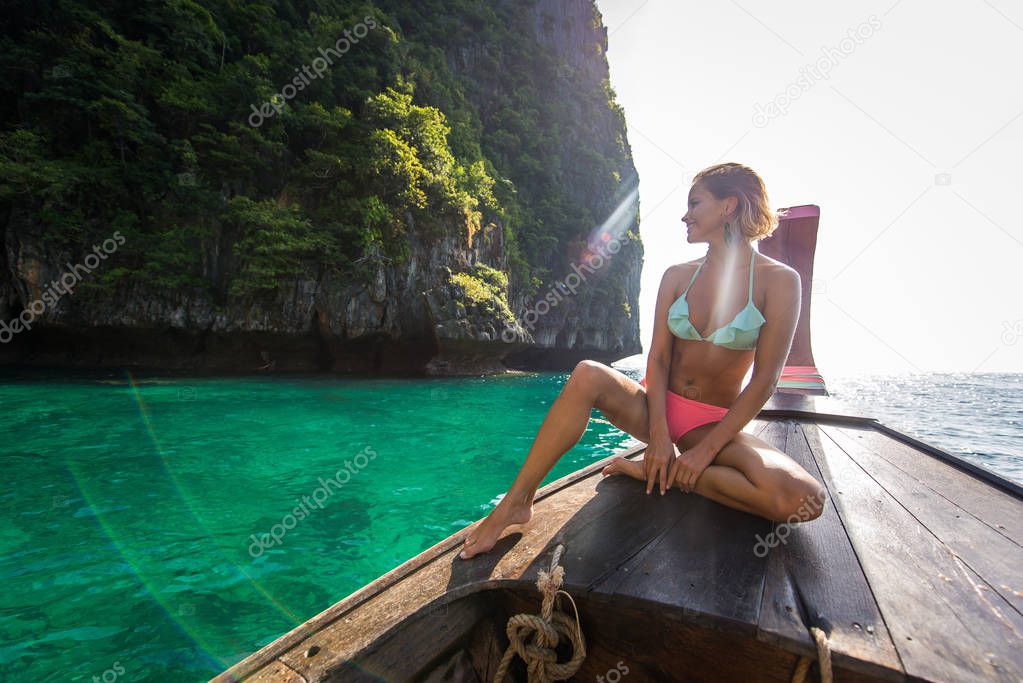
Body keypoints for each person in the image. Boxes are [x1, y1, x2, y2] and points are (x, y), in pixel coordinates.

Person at [459, 162, 826, 560]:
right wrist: (660, 435)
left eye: (695, 203)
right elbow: (660, 358)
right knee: (587, 374)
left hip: (711, 428)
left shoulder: (780, 281)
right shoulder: (676, 276)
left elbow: (764, 380)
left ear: (729, 206)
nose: (685, 214)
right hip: (657, 411)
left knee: (803, 499)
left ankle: (659, 473)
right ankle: (517, 501)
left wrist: (703, 452)